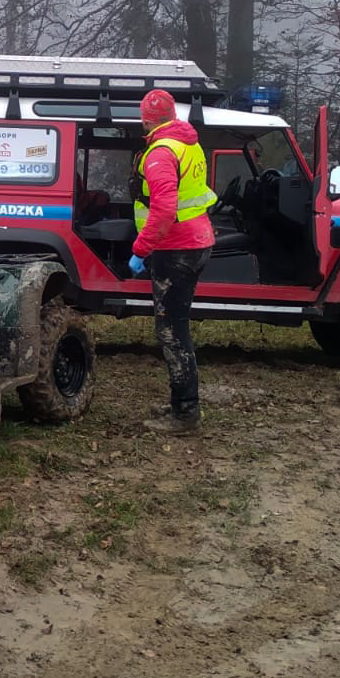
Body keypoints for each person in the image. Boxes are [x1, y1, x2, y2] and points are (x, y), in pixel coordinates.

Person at [127, 90, 216, 434]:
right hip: (196, 241)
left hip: (176, 248)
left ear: (147, 120)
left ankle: (186, 415)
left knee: (172, 332)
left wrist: (140, 249)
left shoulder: (160, 154)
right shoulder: (188, 143)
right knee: (177, 326)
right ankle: (182, 405)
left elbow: (164, 210)